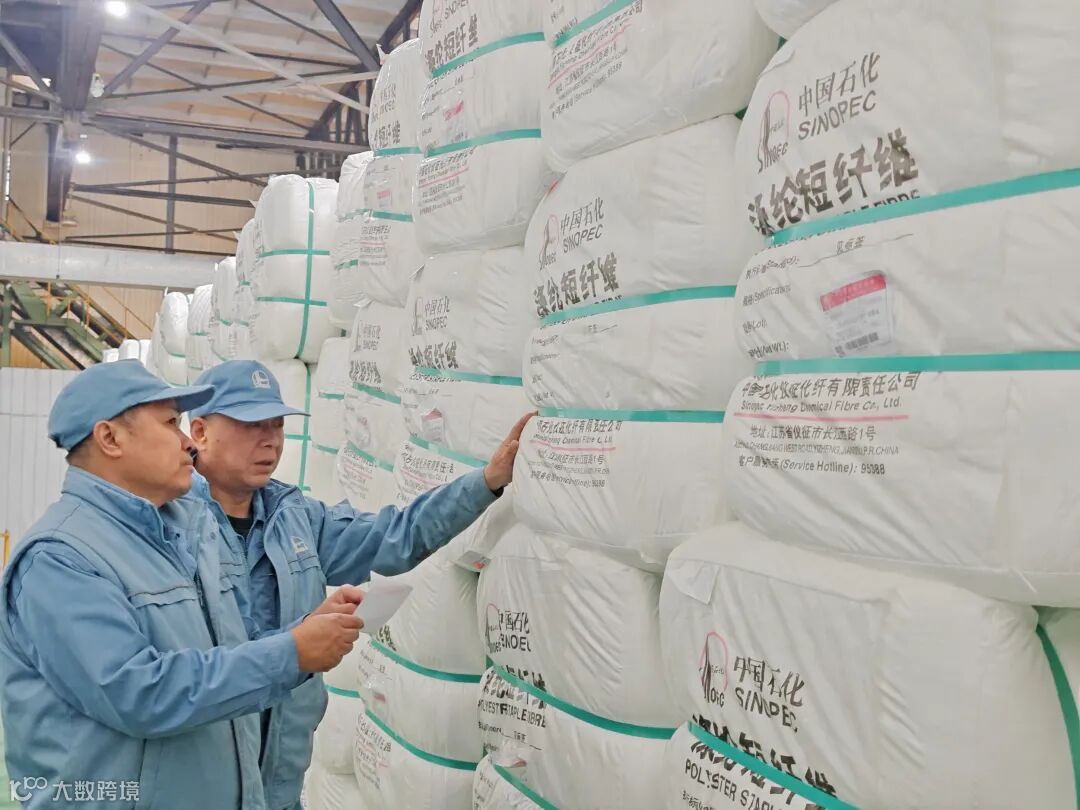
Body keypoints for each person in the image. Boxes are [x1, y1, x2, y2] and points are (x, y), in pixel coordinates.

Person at [0, 361, 365, 810]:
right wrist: (291, 653)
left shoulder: (180, 536)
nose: (189, 442)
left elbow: (223, 654)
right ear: (110, 439)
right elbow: (138, 694)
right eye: (171, 423)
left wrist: (301, 634)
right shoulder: (60, 560)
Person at [189, 360, 532, 810]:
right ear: (200, 432)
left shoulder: (295, 517)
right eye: (252, 425)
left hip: (280, 783)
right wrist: (298, 642)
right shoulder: (170, 528)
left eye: (276, 425)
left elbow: (396, 537)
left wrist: (486, 482)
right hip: (200, 784)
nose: (270, 439)